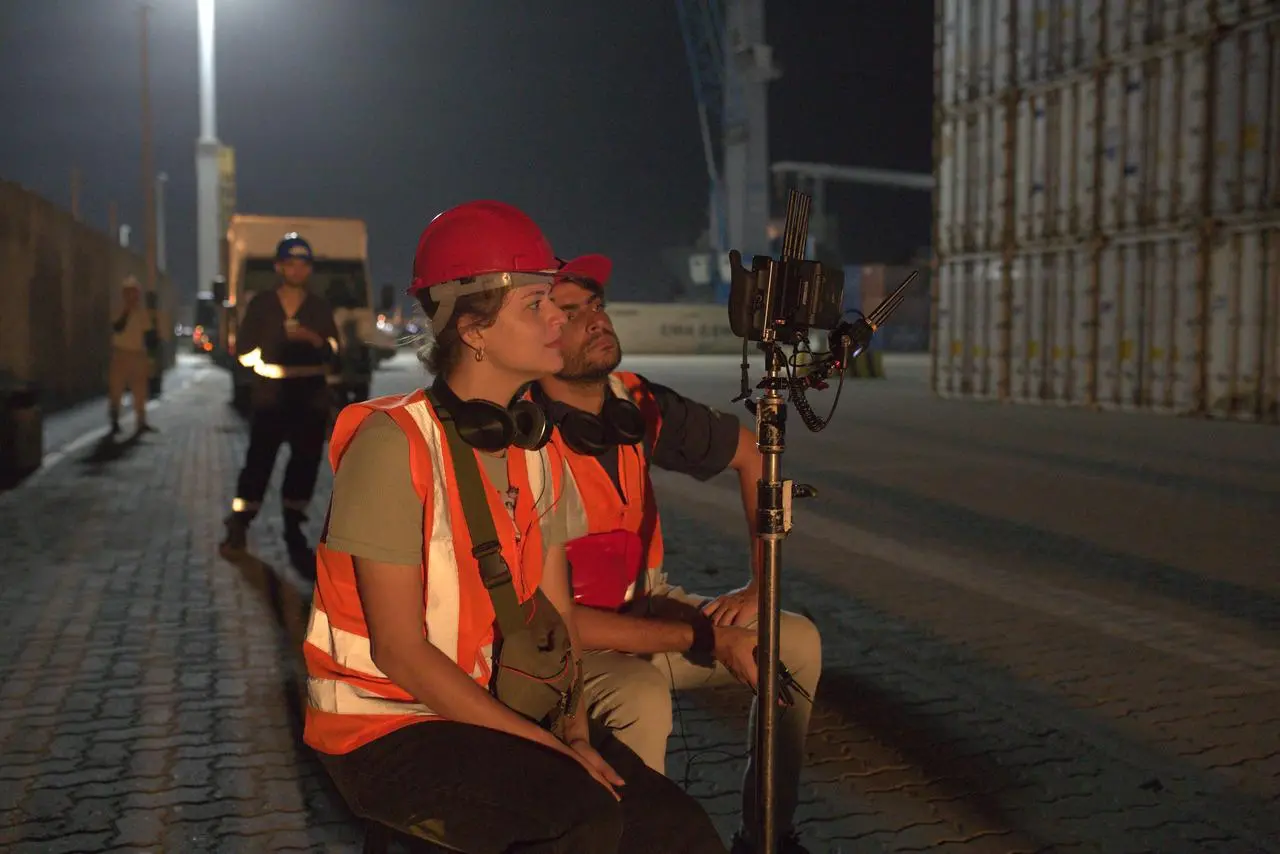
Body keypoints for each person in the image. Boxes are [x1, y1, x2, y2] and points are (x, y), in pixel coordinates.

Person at [302, 200, 727, 854]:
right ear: (472, 329)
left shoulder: (534, 445)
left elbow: (555, 613)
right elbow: (398, 650)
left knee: (679, 832)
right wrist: (548, 747)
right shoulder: (393, 446)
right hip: (389, 723)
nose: (560, 316)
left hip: (497, 701)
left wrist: (577, 731)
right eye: (537, 305)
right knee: (581, 820)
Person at [532, 264, 823, 854]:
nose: (596, 318)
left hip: (644, 611)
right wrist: (705, 639)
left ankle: (767, 832)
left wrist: (759, 591)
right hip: (562, 641)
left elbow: (752, 457)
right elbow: (559, 617)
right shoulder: (521, 432)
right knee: (640, 697)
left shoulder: (635, 401)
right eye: (571, 311)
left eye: (596, 303)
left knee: (794, 641)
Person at [221, 234, 340, 564]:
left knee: (305, 464)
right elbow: (243, 353)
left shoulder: (318, 307)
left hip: (311, 397)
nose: (297, 270)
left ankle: (293, 523)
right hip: (271, 398)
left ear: (309, 269)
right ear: (279, 267)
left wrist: (315, 339)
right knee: (259, 462)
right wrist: (273, 348)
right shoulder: (261, 304)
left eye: (303, 264)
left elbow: (335, 351)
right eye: (290, 263)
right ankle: (240, 521)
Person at [107, 275, 157, 436]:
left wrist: (151, 357)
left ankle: (141, 422)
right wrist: (127, 311)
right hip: (121, 354)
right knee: (116, 389)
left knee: (140, 391)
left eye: (135, 293)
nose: (133, 296)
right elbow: (117, 327)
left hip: (138, 355)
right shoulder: (118, 310)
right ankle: (114, 420)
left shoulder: (141, 313)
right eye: (130, 293)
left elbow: (149, 335)